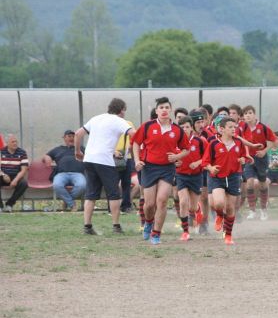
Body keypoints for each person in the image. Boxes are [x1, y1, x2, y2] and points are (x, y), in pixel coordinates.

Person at [132, 97, 189, 245]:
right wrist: (137, 160)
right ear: (156, 110)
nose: (164, 110)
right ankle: (148, 223)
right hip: (149, 167)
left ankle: (156, 234)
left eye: (166, 107)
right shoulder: (147, 126)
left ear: (170, 110)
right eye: (161, 107)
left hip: (167, 169)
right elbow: (136, 143)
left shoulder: (177, 130)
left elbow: (186, 149)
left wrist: (177, 156)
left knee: (162, 201)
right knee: (149, 204)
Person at [74, 98, 136, 234]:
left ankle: (87, 227)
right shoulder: (120, 121)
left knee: (91, 194)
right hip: (104, 161)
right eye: (125, 110)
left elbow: (78, 133)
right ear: (121, 110)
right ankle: (116, 226)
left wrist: (77, 151)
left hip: (89, 159)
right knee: (114, 193)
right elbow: (133, 134)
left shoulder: (96, 118)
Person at [202, 117, 248, 245]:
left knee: (230, 207)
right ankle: (219, 215)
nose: (234, 129)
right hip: (217, 177)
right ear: (222, 129)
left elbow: (244, 156)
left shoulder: (239, 143)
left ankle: (228, 235)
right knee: (218, 204)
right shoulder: (214, 144)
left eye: (235, 127)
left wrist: (243, 160)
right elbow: (205, 162)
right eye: (230, 127)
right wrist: (211, 168)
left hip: (233, 177)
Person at [240, 105, 277, 220]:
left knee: (262, 183)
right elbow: (239, 140)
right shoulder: (241, 128)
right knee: (249, 182)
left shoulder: (263, 127)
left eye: (250, 113)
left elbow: (273, 140)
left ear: (254, 114)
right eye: (245, 114)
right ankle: (252, 210)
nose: (248, 115)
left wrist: (264, 151)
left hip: (261, 159)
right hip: (248, 159)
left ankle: (263, 210)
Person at [175, 116, 208, 241]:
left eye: (187, 127)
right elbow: (170, 156)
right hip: (181, 175)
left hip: (196, 176)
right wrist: (174, 162)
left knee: (192, 208)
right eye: (182, 127)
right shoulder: (175, 142)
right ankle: (185, 232)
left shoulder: (200, 141)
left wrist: (198, 163)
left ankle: (197, 209)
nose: (185, 129)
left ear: (192, 128)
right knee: (183, 201)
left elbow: (207, 156)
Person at [43, 130, 86, 212]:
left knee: (82, 185)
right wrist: (47, 158)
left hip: (78, 173)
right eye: (69, 136)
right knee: (56, 185)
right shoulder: (58, 149)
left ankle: (67, 201)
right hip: (61, 174)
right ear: (64, 138)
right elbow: (46, 156)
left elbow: (90, 156)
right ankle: (72, 204)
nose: (72, 138)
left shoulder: (80, 148)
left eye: (73, 136)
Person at [0, 134, 29, 212]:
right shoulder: (1, 151)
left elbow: (23, 170)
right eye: (13, 142)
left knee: (24, 183)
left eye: (16, 141)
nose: (15, 143)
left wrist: (16, 180)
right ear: (7, 143)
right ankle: (0, 206)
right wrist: (3, 174)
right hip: (3, 175)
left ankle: (9, 204)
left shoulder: (22, 152)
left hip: (16, 176)